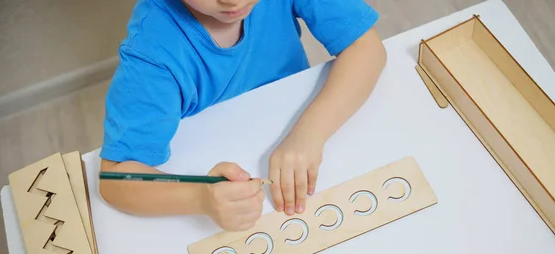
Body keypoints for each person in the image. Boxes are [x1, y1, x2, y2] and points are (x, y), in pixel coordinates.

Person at [99, 0, 387, 231]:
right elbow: (115, 177)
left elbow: (365, 47)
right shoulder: (152, 49)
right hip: (222, 160)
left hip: (298, 118)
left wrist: (309, 134)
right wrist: (200, 197)